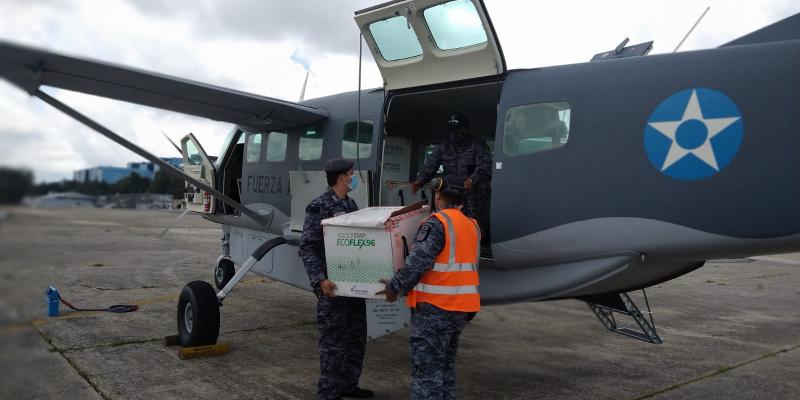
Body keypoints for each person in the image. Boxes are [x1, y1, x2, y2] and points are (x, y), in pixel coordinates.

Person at [377, 176, 481, 400]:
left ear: (438, 196)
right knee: (445, 370)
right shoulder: (472, 225)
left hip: (435, 310)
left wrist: (395, 286)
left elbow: (418, 263)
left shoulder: (437, 223)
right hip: (461, 310)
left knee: (426, 375)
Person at [300, 158, 374, 400]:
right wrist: (320, 280)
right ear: (342, 177)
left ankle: (348, 385)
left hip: (353, 288)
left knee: (355, 339)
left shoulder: (351, 205)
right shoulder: (318, 207)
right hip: (332, 289)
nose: (354, 178)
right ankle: (329, 393)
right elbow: (308, 248)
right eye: (352, 174)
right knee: (333, 345)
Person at [411, 113, 492, 237]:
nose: (454, 133)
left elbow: (485, 166)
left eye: (458, 129)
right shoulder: (443, 146)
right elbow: (431, 164)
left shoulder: (477, 144)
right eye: (451, 130)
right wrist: (420, 180)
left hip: (472, 194)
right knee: (447, 222)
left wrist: (472, 180)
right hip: (450, 193)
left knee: (471, 225)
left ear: (465, 129)